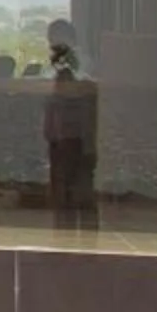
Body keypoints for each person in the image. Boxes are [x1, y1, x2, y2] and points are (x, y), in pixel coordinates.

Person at [42, 18, 100, 229]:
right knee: (63, 182)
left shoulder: (81, 62)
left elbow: (84, 84)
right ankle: (63, 228)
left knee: (80, 183)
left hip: (78, 133)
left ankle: (82, 229)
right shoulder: (56, 64)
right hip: (60, 134)